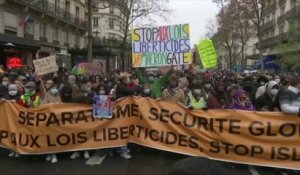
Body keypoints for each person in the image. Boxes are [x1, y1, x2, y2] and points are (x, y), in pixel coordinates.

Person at [115, 75, 140, 159]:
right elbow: (131, 91)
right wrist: (135, 84)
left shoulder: (122, 85)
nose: (128, 80)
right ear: (123, 80)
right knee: (123, 130)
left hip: (124, 111)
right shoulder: (121, 86)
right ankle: (123, 151)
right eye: (127, 79)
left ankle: (120, 148)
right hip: (122, 111)